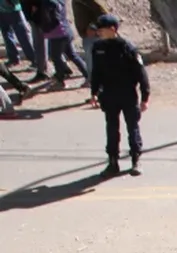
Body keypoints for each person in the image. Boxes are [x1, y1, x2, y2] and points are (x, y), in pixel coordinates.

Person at [89, 14, 150, 177]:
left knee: (132, 126)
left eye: (101, 30)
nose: (98, 33)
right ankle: (112, 161)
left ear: (112, 30)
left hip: (127, 94)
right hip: (108, 94)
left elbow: (141, 73)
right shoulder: (98, 48)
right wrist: (93, 92)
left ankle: (136, 160)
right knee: (111, 128)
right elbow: (96, 72)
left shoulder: (127, 47)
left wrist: (145, 97)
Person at [39, 0, 88, 89]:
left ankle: (60, 81)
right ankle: (89, 76)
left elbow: (48, 19)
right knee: (73, 55)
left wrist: (44, 29)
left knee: (56, 57)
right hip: (66, 31)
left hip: (57, 34)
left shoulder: (47, 2)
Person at [72, 0, 107, 75]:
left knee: (92, 59)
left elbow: (102, 12)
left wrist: (93, 27)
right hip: (86, 34)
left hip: (92, 35)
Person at [0, 0, 36, 67]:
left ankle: (34, 59)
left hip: (14, 9)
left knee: (22, 36)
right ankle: (13, 59)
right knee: (6, 35)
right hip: (2, 10)